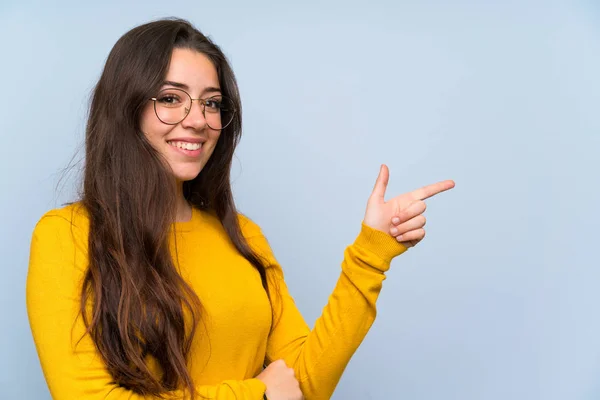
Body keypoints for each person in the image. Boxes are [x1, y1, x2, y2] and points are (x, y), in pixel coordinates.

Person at [25, 18, 455, 400]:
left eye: (212, 103)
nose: (198, 120)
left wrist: (370, 253)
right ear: (126, 108)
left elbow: (305, 384)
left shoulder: (243, 236)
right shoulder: (66, 235)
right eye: (171, 98)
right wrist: (257, 394)